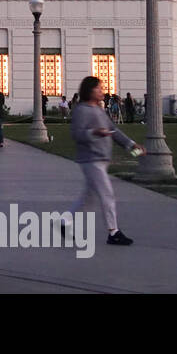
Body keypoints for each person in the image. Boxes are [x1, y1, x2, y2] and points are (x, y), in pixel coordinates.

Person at [69, 75, 142, 246]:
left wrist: (132, 146)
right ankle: (113, 232)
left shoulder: (98, 109)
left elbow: (113, 130)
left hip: (102, 159)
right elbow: (77, 134)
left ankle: (65, 223)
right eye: (99, 88)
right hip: (91, 159)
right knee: (107, 194)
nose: (102, 91)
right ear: (90, 90)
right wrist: (94, 132)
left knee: (89, 198)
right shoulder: (82, 110)